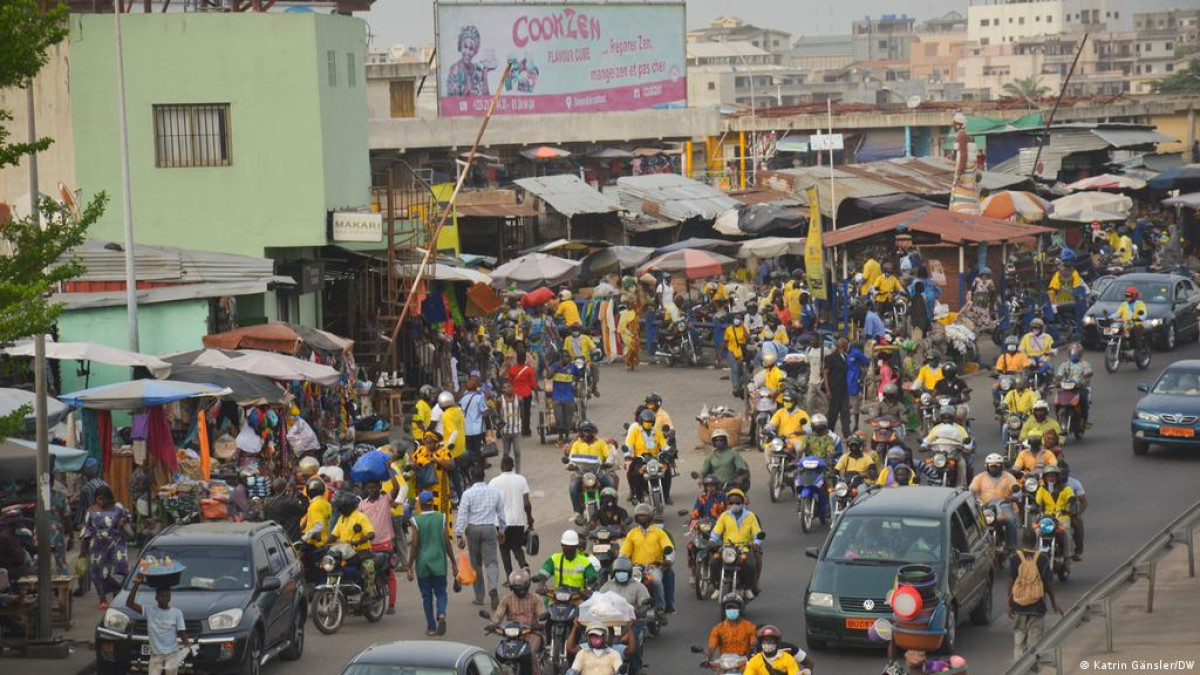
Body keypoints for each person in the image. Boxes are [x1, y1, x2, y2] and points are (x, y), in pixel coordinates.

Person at [454, 466, 505, 611]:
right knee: (491, 562)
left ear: (471, 477)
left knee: (476, 564)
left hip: (473, 529)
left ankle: (479, 597)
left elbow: (462, 514)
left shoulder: (468, 493)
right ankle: (493, 588)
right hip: (489, 528)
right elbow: (501, 513)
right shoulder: (494, 492)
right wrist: (502, 530)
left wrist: (459, 534)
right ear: (484, 475)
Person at [409, 490, 459, 637]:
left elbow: (415, 544)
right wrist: (453, 562)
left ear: (420, 504)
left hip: (423, 564)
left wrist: (409, 565)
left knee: (426, 596)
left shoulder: (415, 520)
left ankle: (431, 627)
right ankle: (441, 613)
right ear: (432, 502)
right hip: (439, 563)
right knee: (441, 592)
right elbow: (447, 542)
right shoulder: (441, 517)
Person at [1009, 528, 1063, 660]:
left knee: (1019, 643)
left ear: (1022, 541)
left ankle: (1019, 670)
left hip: (1018, 606)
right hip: (1037, 607)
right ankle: (1032, 669)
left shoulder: (1015, 558)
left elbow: (1010, 583)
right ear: (1036, 542)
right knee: (1035, 646)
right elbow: (1049, 585)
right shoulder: (1043, 559)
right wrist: (1054, 603)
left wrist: (1010, 603)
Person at [125, 573, 192, 675]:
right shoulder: (150, 611)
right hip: (156, 655)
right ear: (156, 598)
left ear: (170, 598)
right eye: (161, 596)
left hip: (172, 654)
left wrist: (187, 645)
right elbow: (129, 603)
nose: (164, 598)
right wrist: (137, 584)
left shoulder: (176, 613)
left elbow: (181, 632)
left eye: (166, 596)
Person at [80, 485, 132, 609]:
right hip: (98, 545)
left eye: (103, 499)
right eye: (98, 499)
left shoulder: (118, 508)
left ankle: (117, 594)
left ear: (109, 498)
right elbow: (87, 530)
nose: (101, 502)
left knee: (121, 566)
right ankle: (102, 599)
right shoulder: (91, 511)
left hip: (117, 542)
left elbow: (128, 517)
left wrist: (123, 521)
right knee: (97, 572)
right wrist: (83, 550)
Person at [708, 489, 764, 599]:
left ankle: (748, 588)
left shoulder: (750, 516)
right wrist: (712, 541)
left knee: (750, 564)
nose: (735, 505)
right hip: (727, 548)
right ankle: (717, 588)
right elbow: (716, 532)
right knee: (714, 562)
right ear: (728, 503)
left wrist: (756, 543)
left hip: (744, 548)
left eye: (737, 502)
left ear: (742, 502)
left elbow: (757, 534)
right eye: (732, 503)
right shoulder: (724, 516)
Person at [598, 557, 651, 672]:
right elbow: (598, 600)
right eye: (618, 572)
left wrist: (640, 609)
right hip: (610, 622)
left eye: (624, 572)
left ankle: (637, 667)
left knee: (634, 643)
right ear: (613, 573)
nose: (621, 574)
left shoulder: (638, 587)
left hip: (632, 622)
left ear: (629, 573)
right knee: (593, 639)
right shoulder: (607, 586)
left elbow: (644, 603)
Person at [619, 504, 673, 613]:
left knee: (656, 581)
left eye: (644, 516)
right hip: (636, 569)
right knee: (621, 581)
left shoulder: (659, 532)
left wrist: (668, 559)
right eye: (639, 516)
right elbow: (624, 552)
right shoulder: (632, 533)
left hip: (653, 568)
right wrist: (620, 561)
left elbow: (668, 546)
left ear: (650, 517)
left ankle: (660, 607)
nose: (642, 518)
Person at [493, 569, 544, 674]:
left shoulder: (536, 598)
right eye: (516, 588)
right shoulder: (506, 599)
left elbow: (542, 615)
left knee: (532, 653)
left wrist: (539, 623)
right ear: (512, 588)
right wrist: (493, 624)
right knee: (499, 653)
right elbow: (498, 615)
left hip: (532, 633)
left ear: (527, 586)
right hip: (512, 635)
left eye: (522, 588)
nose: (520, 591)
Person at [359, 479, 398, 613]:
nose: (371, 490)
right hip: (368, 546)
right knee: (366, 572)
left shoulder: (385, 500)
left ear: (379, 487)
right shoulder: (362, 505)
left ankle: (392, 604)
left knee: (389, 574)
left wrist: (390, 470)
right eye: (369, 488)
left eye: (374, 487)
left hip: (385, 544)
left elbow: (397, 488)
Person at [491, 455, 534, 577]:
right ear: (513, 466)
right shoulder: (521, 479)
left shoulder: (494, 482)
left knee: (504, 551)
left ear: (501, 467)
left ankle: (510, 577)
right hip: (518, 521)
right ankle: (524, 567)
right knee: (517, 547)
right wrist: (530, 519)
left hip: (501, 524)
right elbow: (526, 503)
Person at [566, 421, 616, 520]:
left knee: (610, 483)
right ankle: (578, 512)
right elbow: (572, 457)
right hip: (581, 473)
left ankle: (612, 508)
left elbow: (609, 454)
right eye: (584, 431)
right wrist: (571, 465)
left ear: (594, 432)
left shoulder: (600, 442)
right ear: (580, 433)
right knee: (572, 487)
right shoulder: (576, 444)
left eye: (589, 431)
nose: (587, 434)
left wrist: (609, 462)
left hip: (598, 472)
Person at [330, 491, 378, 594]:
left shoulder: (360, 517)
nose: (340, 509)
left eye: (342, 507)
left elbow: (371, 534)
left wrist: (359, 541)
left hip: (361, 551)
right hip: (345, 553)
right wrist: (324, 544)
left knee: (367, 568)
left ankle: (368, 594)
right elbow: (333, 535)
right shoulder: (342, 518)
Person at [970, 453, 1019, 550]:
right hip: (985, 507)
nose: (994, 468)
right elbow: (971, 490)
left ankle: (1012, 547)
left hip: (1004, 505)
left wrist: (1015, 494)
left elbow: (1016, 490)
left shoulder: (1009, 477)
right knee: (975, 523)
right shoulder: (980, 477)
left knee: (1012, 521)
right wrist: (973, 497)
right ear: (987, 466)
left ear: (1001, 466)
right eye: (992, 466)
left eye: (997, 466)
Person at [625, 409, 671, 504]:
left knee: (667, 470)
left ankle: (666, 496)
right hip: (640, 459)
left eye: (650, 422)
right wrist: (628, 454)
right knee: (634, 473)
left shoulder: (658, 432)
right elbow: (629, 445)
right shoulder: (635, 431)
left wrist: (667, 451)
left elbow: (664, 445)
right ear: (641, 421)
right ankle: (637, 496)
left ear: (653, 422)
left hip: (655, 458)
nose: (648, 423)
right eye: (646, 421)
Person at [1034, 465, 1076, 558]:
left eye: (1053, 476)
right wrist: (1035, 506)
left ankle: (1068, 556)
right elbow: (1037, 500)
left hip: (1062, 517)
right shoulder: (1042, 489)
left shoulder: (1066, 488)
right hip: (1046, 518)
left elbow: (1071, 496)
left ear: (1057, 477)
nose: (1051, 478)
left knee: (1066, 531)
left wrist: (1071, 501)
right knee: (1037, 531)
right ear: (1045, 478)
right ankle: (1036, 556)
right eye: (1048, 476)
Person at [413, 430, 456, 518]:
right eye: (426, 442)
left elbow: (452, 465)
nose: (428, 445)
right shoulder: (421, 450)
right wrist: (413, 465)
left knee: (440, 512)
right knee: (424, 511)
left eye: (430, 443)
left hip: (440, 488)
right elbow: (412, 460)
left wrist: (438, 460)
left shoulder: (444, 451)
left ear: (436, 442)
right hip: (423, 488)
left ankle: (443, 530)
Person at [705, 593, 757, 662]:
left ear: (740, 609)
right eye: (728, 608)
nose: (731, 610)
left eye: (734, 608)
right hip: (725, 664)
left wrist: (754, 656)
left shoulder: (750, 627)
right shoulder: (717, 629)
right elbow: (712, 646)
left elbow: (754, 645)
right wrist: (708, 659)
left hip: (745, 663)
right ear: (724, 610)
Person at [743, 625, 809, 675]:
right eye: (765, 641)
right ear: (760, 643)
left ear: (777, 642)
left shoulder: (788, 659)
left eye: (771, 640)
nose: (768, 643)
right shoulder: (754, 660)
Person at [1055, 344, 1093, 424]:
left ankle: (1084, 420)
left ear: (1080, 354)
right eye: (1073, 352)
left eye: (1076, 352)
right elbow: (1059, 376)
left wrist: (1083, 382)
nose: (1074, 354)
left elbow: (1088, 375)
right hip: (1067, 387)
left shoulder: (1085, 364)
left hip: (1080, 387)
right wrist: (1056, 382)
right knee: (1058, 400)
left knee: (1083, 401)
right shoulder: (1064, 365)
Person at [549, 351, 582, 444]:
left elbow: (578, 375)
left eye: (567, 357)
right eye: (563, 357)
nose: (565, 359)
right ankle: (560, 435)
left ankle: (567, 435)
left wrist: (575, 384)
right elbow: (548, 376)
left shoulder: (572, 367)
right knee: (558, 418)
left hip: (569, 396)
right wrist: (556, 368)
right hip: (557, 396)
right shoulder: (555, 366)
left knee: (568, 418)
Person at [508, 344, 538, 438]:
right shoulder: (529, 370)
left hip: (516, 394)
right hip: (527, 393)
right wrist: (536, 394)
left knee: (515, 412)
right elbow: (533, 384)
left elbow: (510, 383)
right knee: (527, 412)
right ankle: (526, 431)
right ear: (525, 358)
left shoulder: (512, 370)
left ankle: (516, 429)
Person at [824, 338, 852, 437]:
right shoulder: (830, 358)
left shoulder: (846, 357)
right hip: (834, 390)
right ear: (843, 346)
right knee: (833, 414)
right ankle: (829, 433)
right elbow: (826, 374)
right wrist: (827, 390)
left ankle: (847, 434)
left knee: (845, 413)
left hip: (844, 390)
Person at [564, 324, 601, 397]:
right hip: (573, 362)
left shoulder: (585, 338)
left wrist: (596, 351)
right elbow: (565, 351)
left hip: (586, 361)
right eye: (573, 330)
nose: (575, 332)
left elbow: (593, 348)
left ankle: (594, 386)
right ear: (571, 331)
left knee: (595, 365)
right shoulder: (568, 339)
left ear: (580, 331)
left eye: (576, 330)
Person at [1060, 461, 1086, 561]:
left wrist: (1078, 514)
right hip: (1051, 512)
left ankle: (1077, 551)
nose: (1062, 476)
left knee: (1078, 525)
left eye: (1064, 473)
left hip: (1069, 512)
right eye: (1060, 474)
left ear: (1068, 472)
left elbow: (1083, 502)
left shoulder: (1074, 483)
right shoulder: (1047, 483)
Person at [994, 336, 1030, 407]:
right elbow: (998, 369)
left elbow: (1026, 366)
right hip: (1006, 377)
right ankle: (998, 404)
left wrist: (1024, 371)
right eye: (1009, 345)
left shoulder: (1022, 356)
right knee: (994, 388)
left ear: (1016, 346)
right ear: (1006, 346)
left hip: (1019, 376)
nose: (1011, 347)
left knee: (1027, 387)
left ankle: (1028, 402)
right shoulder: (1002, 357)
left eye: (1013, 345)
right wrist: (998, 374)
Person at [497, 380, 524, 470]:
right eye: (505, 388)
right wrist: (500, 427)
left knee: (517, 451)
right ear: (502, 390)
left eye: (509, 386)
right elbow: (497, 413)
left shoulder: (519, 399)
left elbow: (522, 412)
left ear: (512, 387)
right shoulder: (500, 400)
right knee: (505, 453)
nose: (507, 389)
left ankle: (518, 471)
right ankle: (505, 470)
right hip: (505, 431)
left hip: (516, 429)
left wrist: (521, 424)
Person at [1111, 286, 1148, 351]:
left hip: (1137, 324)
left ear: (1133, 296)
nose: (1127, 297)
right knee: (1115, 330)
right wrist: (1109, 317)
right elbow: (1117, 314)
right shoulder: (1123, 304)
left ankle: (1138, 349)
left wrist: (1139, 317)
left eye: (1129, 295)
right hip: (1126, 325)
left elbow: (1144, 313)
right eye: (1126, 295)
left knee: (1135, 330)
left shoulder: (1140, 304)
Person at [846, 340, 871, 431]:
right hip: (846, 383)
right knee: (848, 406)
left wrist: (862, 372)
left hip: (853, 384)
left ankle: (855, 425)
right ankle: (849, 424)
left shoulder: (856, 353)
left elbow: (866, 361)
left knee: (855, 406)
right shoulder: (845, 353)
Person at [722, 317, 750, 397]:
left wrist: (743, 328)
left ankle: (741, 386)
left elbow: (748, 338)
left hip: (742, 351)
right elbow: (726, 341)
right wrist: (720, 352)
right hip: (732, 351)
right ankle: (735, 387)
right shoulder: (729, 329)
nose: (736, 320)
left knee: (741, 370)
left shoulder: (744, 328)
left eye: (738, 319)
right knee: (734, 370)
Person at [616, 303, 641, 372]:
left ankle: (634, 365)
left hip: (635, 334)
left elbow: (637, 324)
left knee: (636, 350)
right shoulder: (624, 315)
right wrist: (629, 333)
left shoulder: (635, 313)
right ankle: (629, 365)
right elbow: (622, 327)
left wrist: (636, 332)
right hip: (628, 335)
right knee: (630, 349)